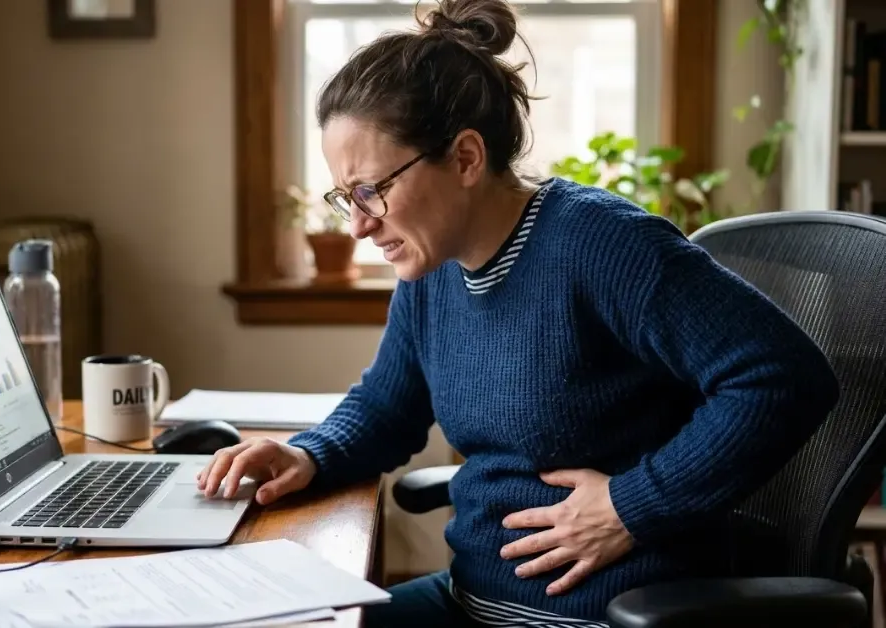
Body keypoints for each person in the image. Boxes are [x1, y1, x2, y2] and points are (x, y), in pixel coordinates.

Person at [196, 0, 841, 625]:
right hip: (471, 599)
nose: (361, 224)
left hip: (598, 615)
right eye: (346, 196)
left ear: (467, 158)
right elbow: (388, 407)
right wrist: (308, 454)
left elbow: (781, 376)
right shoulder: (433, 265)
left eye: (373, 190)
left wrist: (629, 506)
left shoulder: (602, 245)